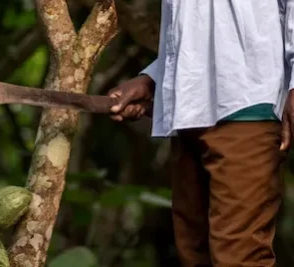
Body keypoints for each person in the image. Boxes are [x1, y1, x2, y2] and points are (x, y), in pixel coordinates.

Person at [107, 1, 294, 266]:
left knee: (239, 256)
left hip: (248, 103)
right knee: (195, 253)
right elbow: (197, 22)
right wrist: (155, 79)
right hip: (190, 108)